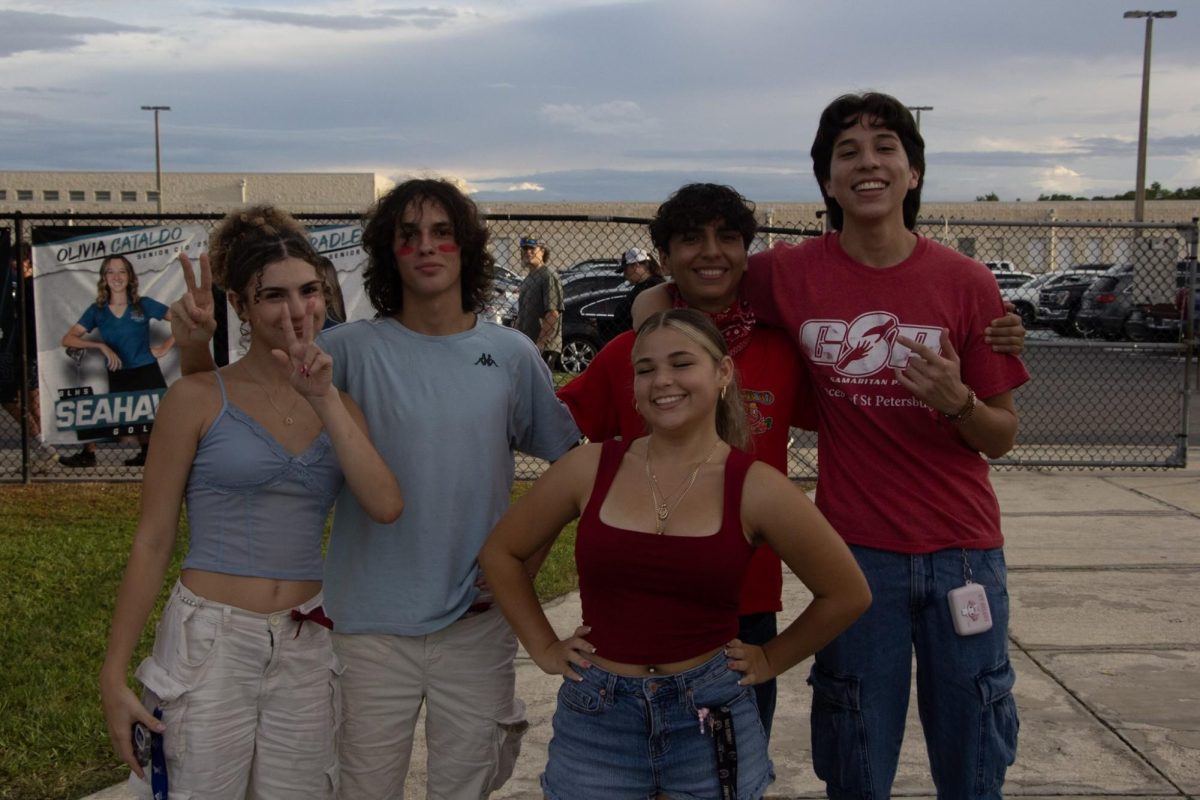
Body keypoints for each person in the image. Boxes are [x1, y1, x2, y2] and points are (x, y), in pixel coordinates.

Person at [638, 93, 1028, 799]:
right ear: (826, 180)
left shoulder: (966, 282)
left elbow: (1000, 436)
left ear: (913, 173)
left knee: (974, 748)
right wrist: (646, 314)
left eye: (886, 148)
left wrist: (959, 402)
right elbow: (692, 279)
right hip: (853, 555)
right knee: (856, 749)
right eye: (847, 151)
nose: (868, 163)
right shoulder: (787, 272)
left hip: (963, 553)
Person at [171, 178, 581, 799]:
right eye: (408, 234)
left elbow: (570, 469)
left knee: (467, 785)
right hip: (363, 627)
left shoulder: (511, 354)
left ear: (466, 247)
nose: (427, 246)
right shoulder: (344, 351)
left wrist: (521, 562)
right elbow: (234, 412)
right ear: (387, 253)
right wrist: (197, 352)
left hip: (475, 626)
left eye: (443, 232)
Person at [480, 308, 872, 800]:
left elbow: (846, 592)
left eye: (681, 363)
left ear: (722, 373)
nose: (662, 380)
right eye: (645, 369)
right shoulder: (589, 467)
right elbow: (502, 553)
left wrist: (771, 657)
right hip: (598, 716)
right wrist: (543, 646)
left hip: (710, 715)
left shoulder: (754, 487)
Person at [99, 205, 404, 800]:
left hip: (305, 642)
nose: (297, 311)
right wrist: (114, 671)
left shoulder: (340, 404)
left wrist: (326, 401)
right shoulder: (195, 397)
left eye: (309, 290)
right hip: (209, 641)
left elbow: (386, 505)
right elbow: (153, 538)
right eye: (273, 296)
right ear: (238, 304)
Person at [557, 184, 816, 741]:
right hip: (634, 613)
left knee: (731, 773)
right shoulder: (631, 355)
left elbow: (859, 405)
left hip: (741, 613)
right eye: (690, 239)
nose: (710, 251)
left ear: (748, 253)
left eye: (728, 237)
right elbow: (553, 431)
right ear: (665, 257)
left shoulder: (780, 350)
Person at [60, 255, 175, 467]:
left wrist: (165, 347)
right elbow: (68, 339)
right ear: (104, 277)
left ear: (130, 276)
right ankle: (89, 455)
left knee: (157, 417)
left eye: (122, 271)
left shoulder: (143, 304)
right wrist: (100, 346)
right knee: (109, 414)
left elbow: (183, 319)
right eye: (111, 272)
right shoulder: (97, 310)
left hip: (146, 368)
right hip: (118, 371)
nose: (117, 276)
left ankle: (148, 454)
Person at [1, 249, 57, 470]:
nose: (14, 264)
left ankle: (43, 447)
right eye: (12, 260)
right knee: (22, 400)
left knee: (25, 400)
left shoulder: (35, 287)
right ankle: (43, 447)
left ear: (29, 262)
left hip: (29, 352)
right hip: (15, 350)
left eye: (19, 260)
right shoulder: (13, 287)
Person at [514, 234, 564, 367]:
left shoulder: (548, 276)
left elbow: (553, 313)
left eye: (532, 249)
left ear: (542, 250)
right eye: (524, 249)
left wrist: (541, 342)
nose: (527, 252)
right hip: (527, 344)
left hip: (543, 347)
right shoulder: (528, 279)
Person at [610, 246, 665, 333]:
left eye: (625, 270)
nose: (625, 275)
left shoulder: (653, 286)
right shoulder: (644, 286)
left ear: (636, 266)